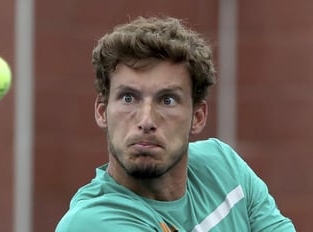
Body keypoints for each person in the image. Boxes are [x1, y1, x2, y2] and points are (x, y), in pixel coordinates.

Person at [56, 16, 296, 232]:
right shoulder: (90, 222)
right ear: (102, 111)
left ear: (198, 117)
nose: (146, 120)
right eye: (128, 98)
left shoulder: (225, 168)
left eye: (167, 100)